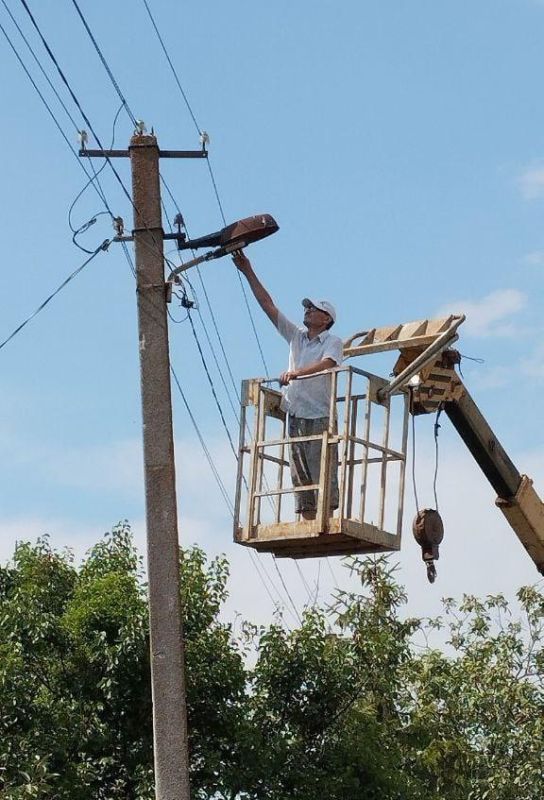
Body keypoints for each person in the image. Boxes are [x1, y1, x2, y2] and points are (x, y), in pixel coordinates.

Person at [233, 250, 343, 521]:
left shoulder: (332, 341)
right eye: (306, 307)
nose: (307, 310)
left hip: (320, 415)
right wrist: (248, 271)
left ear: (326, 318)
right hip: (295, 414)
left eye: (313, 308)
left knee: (323, 473)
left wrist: (295, 373)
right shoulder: (297, 337)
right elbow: (268, 305)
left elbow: (328, 364)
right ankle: (307, 523)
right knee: (301, 477)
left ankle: (326, 524)